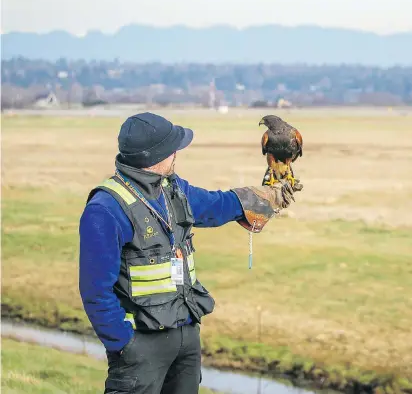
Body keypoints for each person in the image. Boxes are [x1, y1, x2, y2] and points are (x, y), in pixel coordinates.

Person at [78, 112, 301, 394]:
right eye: (172, 148)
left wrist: (262, 198)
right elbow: (95, 291)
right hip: (140, 346)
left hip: (185, 338)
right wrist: (124, 343)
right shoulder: (106, 209)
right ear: (155, 155)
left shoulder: (173, 188)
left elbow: (213, 205)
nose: (176, 153)